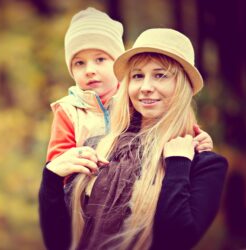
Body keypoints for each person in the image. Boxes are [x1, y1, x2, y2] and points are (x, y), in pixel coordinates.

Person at [39, 28, 228, 250]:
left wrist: (177, 165)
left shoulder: (204, 165)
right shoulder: (98, 148)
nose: (146, 87)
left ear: (182, 86)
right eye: (138, 76)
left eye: (160, 75)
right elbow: (59, 243)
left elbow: (178, 240)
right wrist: (51, 178)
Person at [46, 7, 213, 166]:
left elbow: (171, 120)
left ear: (117, 64)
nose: (90, 70)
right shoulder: (68, 110)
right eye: (79, 63)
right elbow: (58, 160)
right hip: (82, 182)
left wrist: (198, 137)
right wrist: (75, 162)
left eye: (100, 59)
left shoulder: (132, 97)